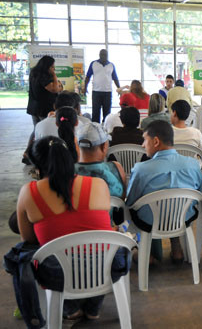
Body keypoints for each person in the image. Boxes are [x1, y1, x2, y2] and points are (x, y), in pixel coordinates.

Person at [17, 136, 129, 321]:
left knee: (34, 253)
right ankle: (93, 306)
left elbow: (28, 239)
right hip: (107, 269)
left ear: (36, 165)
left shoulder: (29, 192)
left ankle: (71, 308)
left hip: (58, 276)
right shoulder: (98, 185)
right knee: (103, 249)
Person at [126, 120, 202, 262]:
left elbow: (131, 202)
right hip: (183, 218)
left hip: (150, 222)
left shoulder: (141, 169)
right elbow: (199, 194)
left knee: (130, 211)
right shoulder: (193, 164)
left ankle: (145, 251)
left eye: (144, 140)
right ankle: (176, 246)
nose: (143, 145)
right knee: (174, 204)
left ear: (155, 141)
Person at [24, 55, 61, 164]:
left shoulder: (34, 73)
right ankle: (40, 154)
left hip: (34, 107)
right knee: (43, 130)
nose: (53, 69)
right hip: (43, 108)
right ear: (47, 67)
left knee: (36, 130)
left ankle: (27, 152)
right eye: (52, 67)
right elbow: (55, 89)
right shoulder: (44, 75)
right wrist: (55, 76)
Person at [75, 122, 126, 200]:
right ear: (104, 146)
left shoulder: (67, 172)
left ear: (77, 146)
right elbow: (121, 202)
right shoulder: (116, 168)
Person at [83, 49, 120, 123]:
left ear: (107, 55)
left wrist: (119, 89)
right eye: (102, 54)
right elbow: (88, 77)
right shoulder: (93, 63)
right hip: (96, 92)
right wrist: (85, 87)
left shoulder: (111, 65)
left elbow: (115, 78)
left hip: (108, 92)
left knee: (107, 113)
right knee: (95, 112)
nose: (103, 56)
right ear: (99, 55)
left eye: (105, 54)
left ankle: (106, 129)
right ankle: (95, 129)